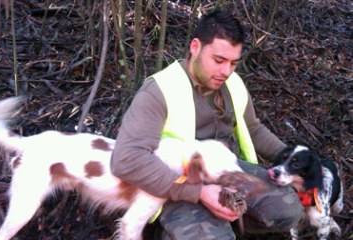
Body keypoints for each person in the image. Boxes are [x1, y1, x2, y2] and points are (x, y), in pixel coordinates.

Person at [111, 9, 303, 239]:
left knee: (289, 210)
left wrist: (294, 157)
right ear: (195, 47)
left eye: (233, 63)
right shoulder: (159, 90)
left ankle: (222, 221)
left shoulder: (233, 83)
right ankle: (177, 230)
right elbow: (126, 158)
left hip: (226, 170)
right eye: (219, 60)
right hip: (176, 181)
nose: (226, 71)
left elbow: (252, 128)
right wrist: (199, 192)